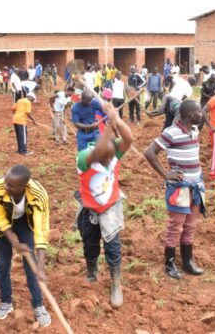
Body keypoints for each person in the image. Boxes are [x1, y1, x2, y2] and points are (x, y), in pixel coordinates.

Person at [76, 102, 134, 307]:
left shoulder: (113, 154)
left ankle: (115, 283)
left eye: (112, 157)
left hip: (110, 207)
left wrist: (116, 118)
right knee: (90, 243)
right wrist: (109, 125)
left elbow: (129, 138)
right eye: (106, 158)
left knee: (113, 245)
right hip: (89, 207)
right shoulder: (85, 158)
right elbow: (101, 149)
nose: (110, 161)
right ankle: (92, 271)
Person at [145, 100, 206, 279]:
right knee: (175, 226)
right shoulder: (170, 133)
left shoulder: (194, 131)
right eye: (198, 113)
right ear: (188, 115)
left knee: (190, 226)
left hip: (196, 186)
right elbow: (149, 153)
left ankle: (188, 262)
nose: (201, 115)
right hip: (180, 188)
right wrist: (165, 174)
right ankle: (169, 263)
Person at [0, 165, 52, 326]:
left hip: (25, 221)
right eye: (6, 181)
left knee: (32, 265)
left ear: (24, 186)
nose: (6, 186)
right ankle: (6, 301)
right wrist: (14, 242)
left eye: (11, 185)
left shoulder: (38, 194)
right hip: (2, 223)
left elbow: (41, 229)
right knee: (3, 263)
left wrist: (41, 268)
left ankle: (38, 304)